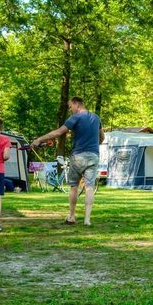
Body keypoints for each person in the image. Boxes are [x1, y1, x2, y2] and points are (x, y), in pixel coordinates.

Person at [32, 97, 104, 226]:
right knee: (89, 187)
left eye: (71, 106)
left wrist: (39, 139)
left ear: (77, 104)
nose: (70, 109)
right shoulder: (96, 118)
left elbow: (59, 132)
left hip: (78, 156)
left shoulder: (75, 117)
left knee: (74, 186)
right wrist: (93, 146)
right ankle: (87, 220)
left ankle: (71, 216)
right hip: (94, 155)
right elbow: (102, 137)